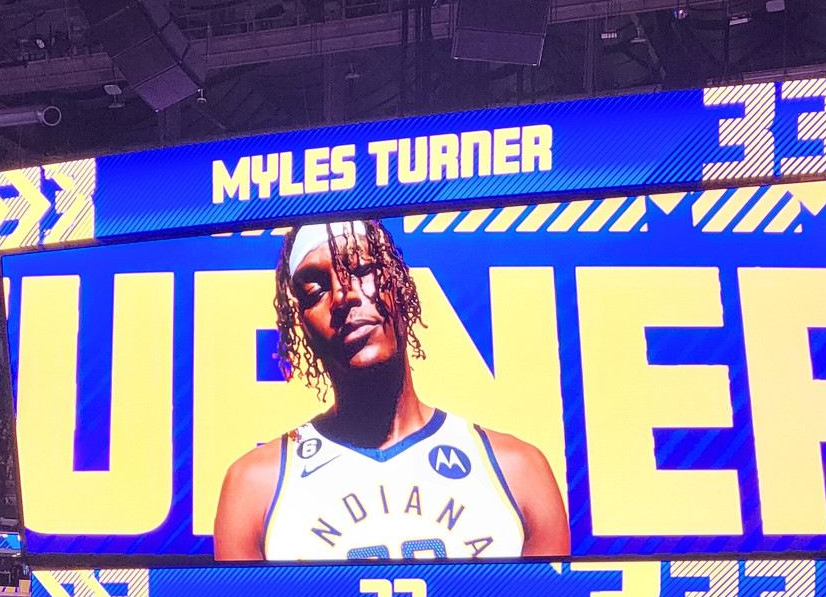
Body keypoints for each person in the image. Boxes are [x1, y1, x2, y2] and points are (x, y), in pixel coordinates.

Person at [212, 218, 569, 562]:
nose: (342, 296)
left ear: (399, 285)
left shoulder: (517, 472)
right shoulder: (255, 488)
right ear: (301, 326)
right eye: (314, 289)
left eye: (362, 270)